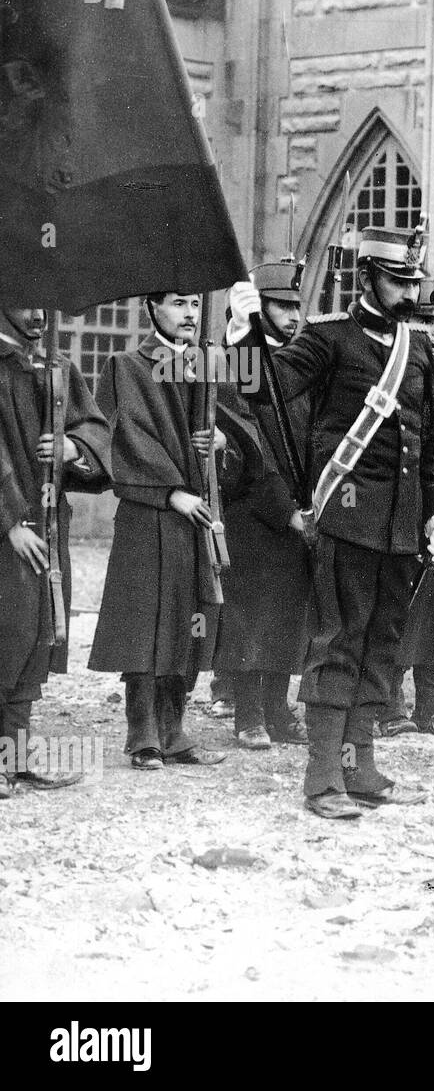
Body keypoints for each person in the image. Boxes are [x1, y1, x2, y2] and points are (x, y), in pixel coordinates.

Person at [246, 226, 434, 818]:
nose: (407, 292)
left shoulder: (415, 348)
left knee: (383, 640)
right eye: (396, 281)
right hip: (350, 516)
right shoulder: (328, 339)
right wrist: (244, 339)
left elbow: (431, 442)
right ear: (366, 278)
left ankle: (361, 759)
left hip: (402, 523)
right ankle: (321, 774)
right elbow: (263, 390)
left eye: (413, 281)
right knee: (338, 638)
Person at [89, 292, 229, 770]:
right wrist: (171, 492)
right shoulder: (125, 366)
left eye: (194, 304)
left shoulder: (207, 367)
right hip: (149, 514)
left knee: (188, 617)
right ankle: (141, 732)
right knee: (146, 622)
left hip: (196, 516)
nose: (189, 313)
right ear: (152, 310)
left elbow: (227, 434)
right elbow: (123, 435)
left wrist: (219, 440)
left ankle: (174, 729)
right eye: (176, 304)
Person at [0, 306, 111, 798]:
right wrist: (9, 526)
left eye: (45, 305)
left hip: (48, 523)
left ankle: (15, 760)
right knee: (8, 634)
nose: (38, 315)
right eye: (26, 303)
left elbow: (97, 429)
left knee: (37, 640)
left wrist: (71, 448)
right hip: (10, 528)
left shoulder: (58, 367)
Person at [217, 259, 312, 747]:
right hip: (254, 510)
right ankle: (248, 713)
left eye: (297, 306)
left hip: (300, 508)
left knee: (288, 616)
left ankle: (278, 710)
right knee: (251, 614)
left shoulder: (302, 360)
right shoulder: (241, 362)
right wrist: (285, 508)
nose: (292, 316)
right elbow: (254, 441)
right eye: (280, 305)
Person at [380, 275, 434, 739]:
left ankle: (430, 703)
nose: (433, 330)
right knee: (403, 601)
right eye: (422, 320)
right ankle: (389, 702)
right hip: (404, 500)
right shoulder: (396, 371)